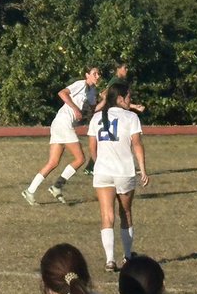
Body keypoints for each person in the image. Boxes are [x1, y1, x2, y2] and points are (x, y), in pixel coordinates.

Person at [88, 82, 149, 272]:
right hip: (123, 171)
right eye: (129, 97)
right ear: (120, 99)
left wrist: (100, 163)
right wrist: (143, 170)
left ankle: (109, 260)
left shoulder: (97, 117)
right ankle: (128, 256)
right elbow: (137, 145)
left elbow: (92, 147)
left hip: (102, 171)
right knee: (126, 213)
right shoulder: (131, 117)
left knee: (107, 215)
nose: (131, 101)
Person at [22, 66, 101, 205]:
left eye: (98, 73)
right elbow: (62, 93)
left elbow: (93, 110)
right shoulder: (81, 84)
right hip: (63, 123)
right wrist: (75, 109)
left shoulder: (93, 91)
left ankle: (30, 190)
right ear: (87, 75)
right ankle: (57, 186)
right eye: (94, 73)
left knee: (53, 162)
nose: (97, 76)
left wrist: (106, 100)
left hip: (60, 124)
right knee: (80, 158)